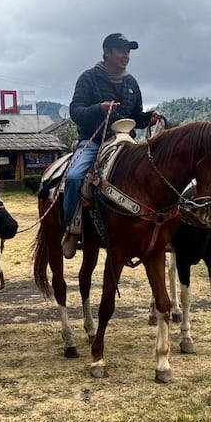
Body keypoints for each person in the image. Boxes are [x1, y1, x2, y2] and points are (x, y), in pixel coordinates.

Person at [62, 33, 160, 259]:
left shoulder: (132, 83)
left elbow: (135, 115)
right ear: (106, 51)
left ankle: (150, 226)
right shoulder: (88, 78)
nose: (126, 55)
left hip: (126, 142)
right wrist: (100, 109)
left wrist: (148, 118)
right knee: (75, 177)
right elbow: (76, 112)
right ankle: (71, 228)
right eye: (121, 50)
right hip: (94, 141)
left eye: (128, 51)